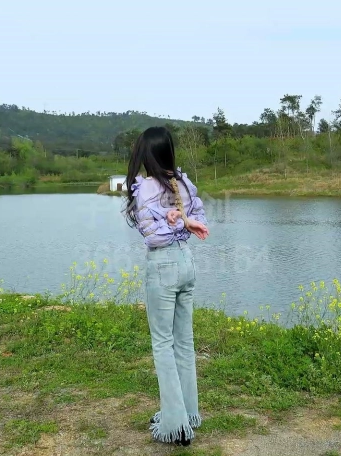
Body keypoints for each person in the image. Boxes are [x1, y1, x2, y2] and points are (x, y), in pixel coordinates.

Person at [122, 126, 210, 446]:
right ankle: (187, 414)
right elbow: (198, 219)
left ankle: (176, 426)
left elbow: (153, 236)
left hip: (163, 265)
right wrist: (178, 219)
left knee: (163, 344)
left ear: (145, 154)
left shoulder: (144, 187)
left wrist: (170, 221)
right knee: (184, 342)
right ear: (168, 151)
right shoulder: (183, 182)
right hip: (186, 262)